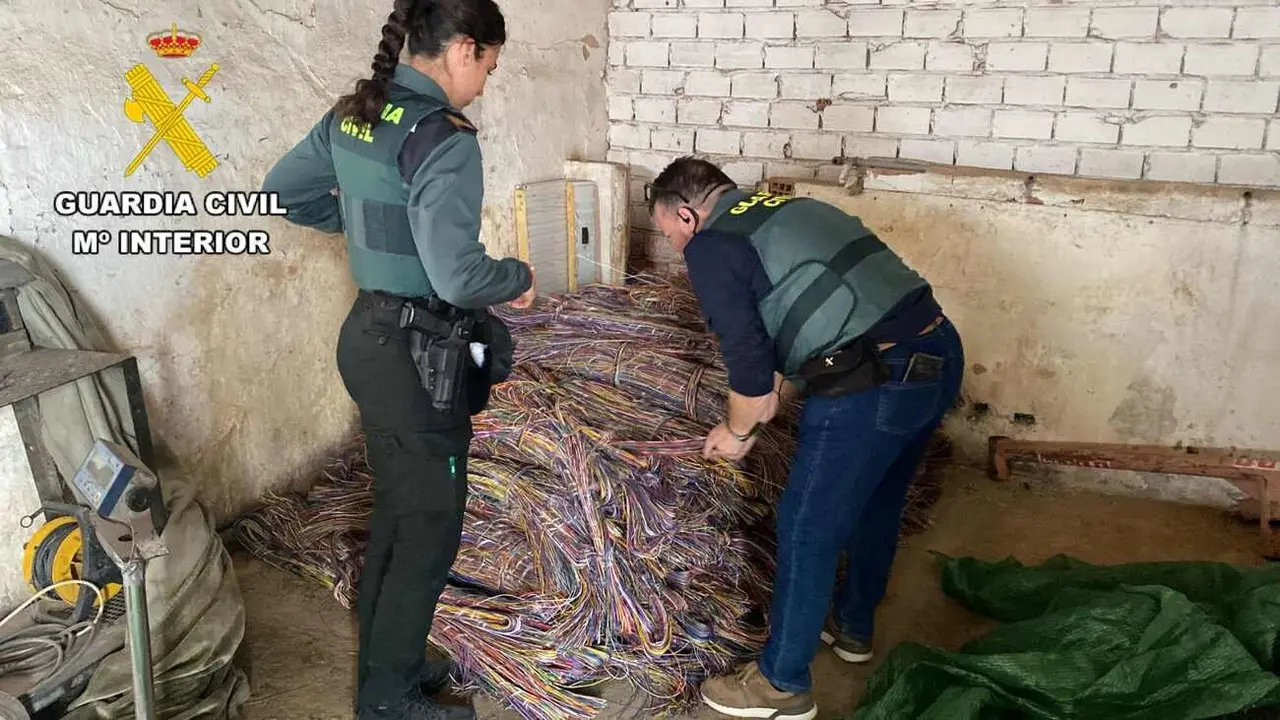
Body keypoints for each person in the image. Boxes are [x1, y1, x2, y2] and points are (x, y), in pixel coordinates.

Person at [260, 1, 536, 718]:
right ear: (464, 50)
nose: (484, 85)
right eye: (490, 69)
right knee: (430, 527)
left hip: (370, 340)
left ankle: (396, 658)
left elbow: (284, 191)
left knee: (401, 512)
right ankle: (387, 699)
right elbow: (459, 279)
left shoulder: (356, 113)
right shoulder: (445, 138)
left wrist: (353, 223)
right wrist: (518, 278)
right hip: (419, 358)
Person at [645, 157, 964, 720]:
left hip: (874, 382)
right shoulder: (784, 209)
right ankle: (852, 626)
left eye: (669, 232)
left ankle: (782, 684)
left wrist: (737, 430)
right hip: (936, 354)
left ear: (689, 215)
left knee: (805, 527)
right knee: (878, 503)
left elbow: (745, 360)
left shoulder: (712, 246)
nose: (675, 248)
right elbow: (808, 321)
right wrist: (770, 396)